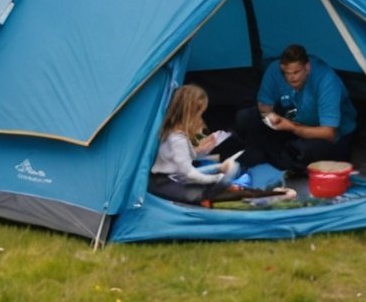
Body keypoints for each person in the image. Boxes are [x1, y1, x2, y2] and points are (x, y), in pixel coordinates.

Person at [233, 43, 355, 176]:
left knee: (304, 151)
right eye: (286, 73)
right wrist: (269, 115)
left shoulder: (326, 80)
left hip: (326, 135)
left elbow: (329, 133)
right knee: (245, 117)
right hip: (292, 123)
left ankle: (276, 160)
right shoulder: (274, 70)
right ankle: (280, 160)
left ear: (307, 67)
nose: (292, 78)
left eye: (296, 72)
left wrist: (292, 127)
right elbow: (263, 104)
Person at [147, 83, 246, 204]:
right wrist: (217, 178)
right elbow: (189, 174)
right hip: (168, 183)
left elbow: (181, 161)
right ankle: (212, 194)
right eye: (199, 114)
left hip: (173, 177)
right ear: (190, 114)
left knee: (228, 166)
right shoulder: (177, 139)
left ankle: (220, 183)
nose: (200, 118)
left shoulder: (173, 132)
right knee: (231, 171)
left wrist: (202, 151)